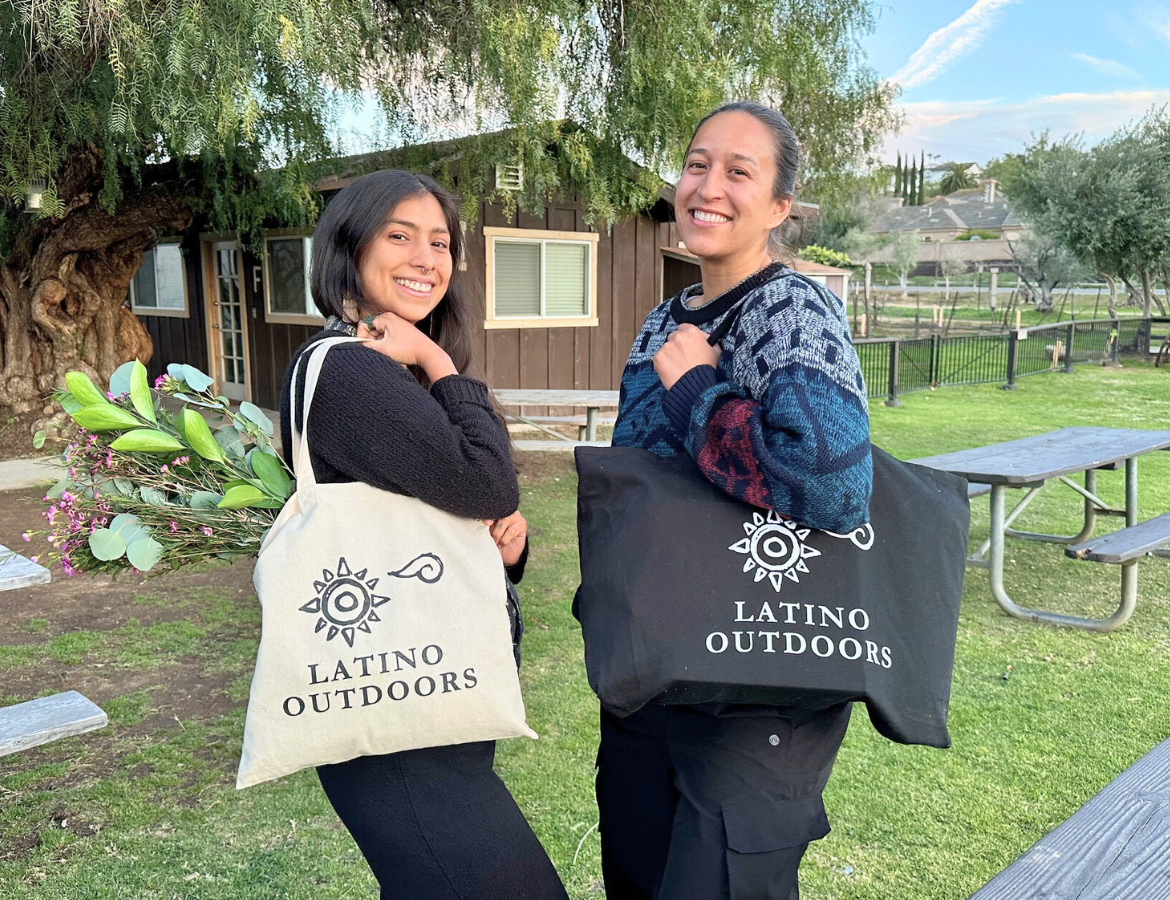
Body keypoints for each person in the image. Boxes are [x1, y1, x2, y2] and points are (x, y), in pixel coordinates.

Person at [594, 102, 874, 899]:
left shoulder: (791, 309)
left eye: (738, 171)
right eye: (695, 163)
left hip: (757, 683)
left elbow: (834, 485)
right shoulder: (662, 321)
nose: (707, 186)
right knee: (638, 878)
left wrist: (699, 390)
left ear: (780, 207)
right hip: (659, 663)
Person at [279, 169, 568, 900]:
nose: (425, 259)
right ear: (348, 248)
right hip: (398, 729)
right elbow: (485, 481)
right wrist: (438, 363)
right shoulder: (349, 372)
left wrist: (507, 541)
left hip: (421, 694)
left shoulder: (378, 370)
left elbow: (464, 504)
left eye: (440, 242)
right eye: (399, 235)